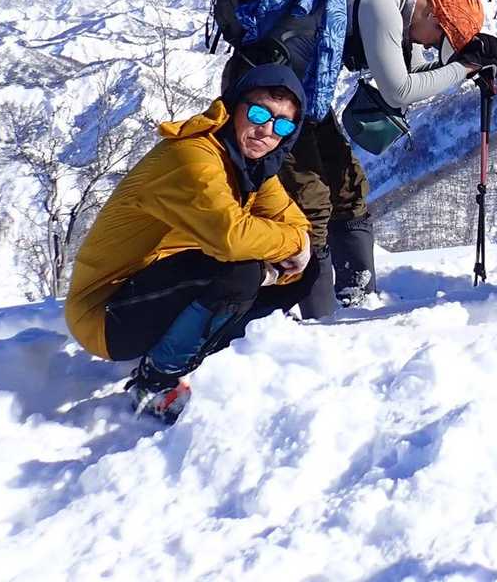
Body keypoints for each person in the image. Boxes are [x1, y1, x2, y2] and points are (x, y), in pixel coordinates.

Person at [224, 0, 497, 313]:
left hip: (304, 92)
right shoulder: (383, 3)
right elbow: (398, 90)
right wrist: (463, 67)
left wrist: (466, 63)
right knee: (311, 199)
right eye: (436, 41)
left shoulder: (404, 8)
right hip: (267, 97)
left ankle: (357, 298)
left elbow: (415, 71)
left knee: (348, 185)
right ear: (434, 16)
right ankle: (315, 315)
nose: (429, 46)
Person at [64, 65, 318, 421]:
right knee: (240, 271)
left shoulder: (253, 165)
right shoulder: (194, 155)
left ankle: (204, 350)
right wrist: (286, 250)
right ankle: (156, 379)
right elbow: (232, 237)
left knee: (304, 268)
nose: (267, 130)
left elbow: (296, 226)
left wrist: (289, 254)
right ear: (234, 107)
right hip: (105, 314)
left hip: (159, 288)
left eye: (283, 125)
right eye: (259, 114)